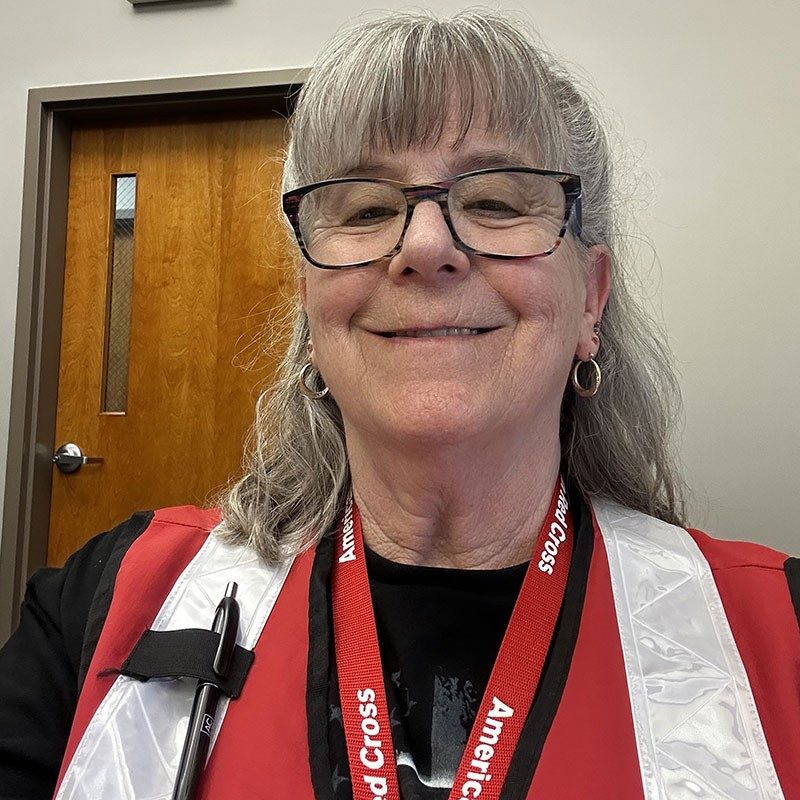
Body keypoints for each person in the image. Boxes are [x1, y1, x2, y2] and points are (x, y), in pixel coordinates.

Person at [1, 10, 799, 800]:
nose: (423, 246)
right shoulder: (106, 603)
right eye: (366, 209)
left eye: (494, 201)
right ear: (312, 310)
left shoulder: (778, 632)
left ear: (590, 300)